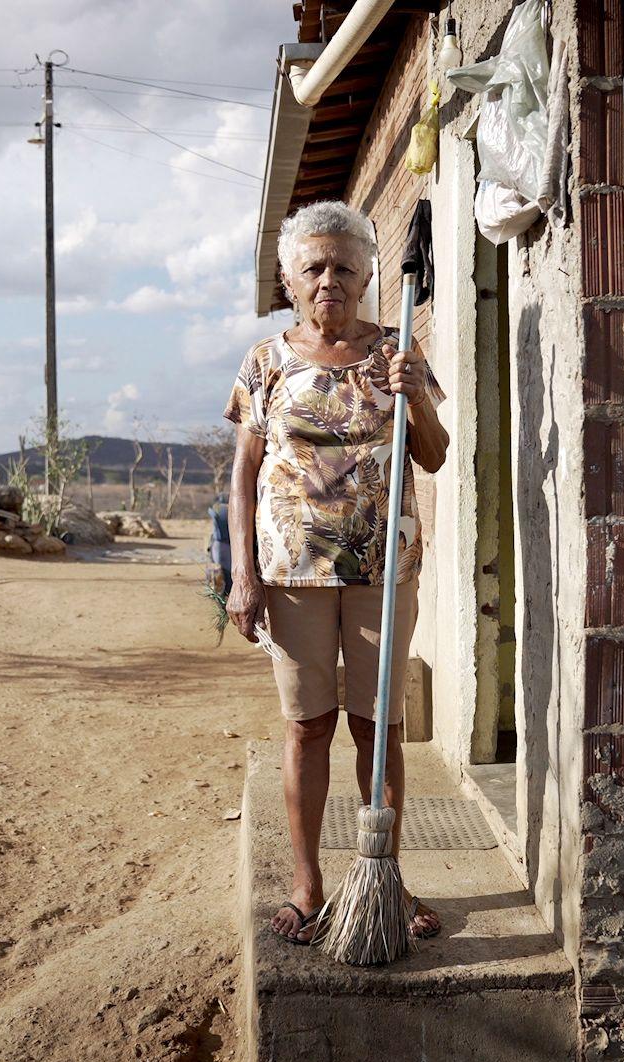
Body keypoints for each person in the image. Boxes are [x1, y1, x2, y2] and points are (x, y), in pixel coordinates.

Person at [222, 200, 449, 945]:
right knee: (308, 725)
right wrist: (242, 574)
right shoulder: (265, 362)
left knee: (377, 727)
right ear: (289, 279)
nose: (330, 281)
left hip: (383, 568)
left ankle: (386, 877)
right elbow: (244, 474)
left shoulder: (397, 352)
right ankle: (308, 884)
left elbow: (435, 454)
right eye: (314, 268)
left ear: (366, 277)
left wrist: (414, 396)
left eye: (345, 268)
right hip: (292, 573)